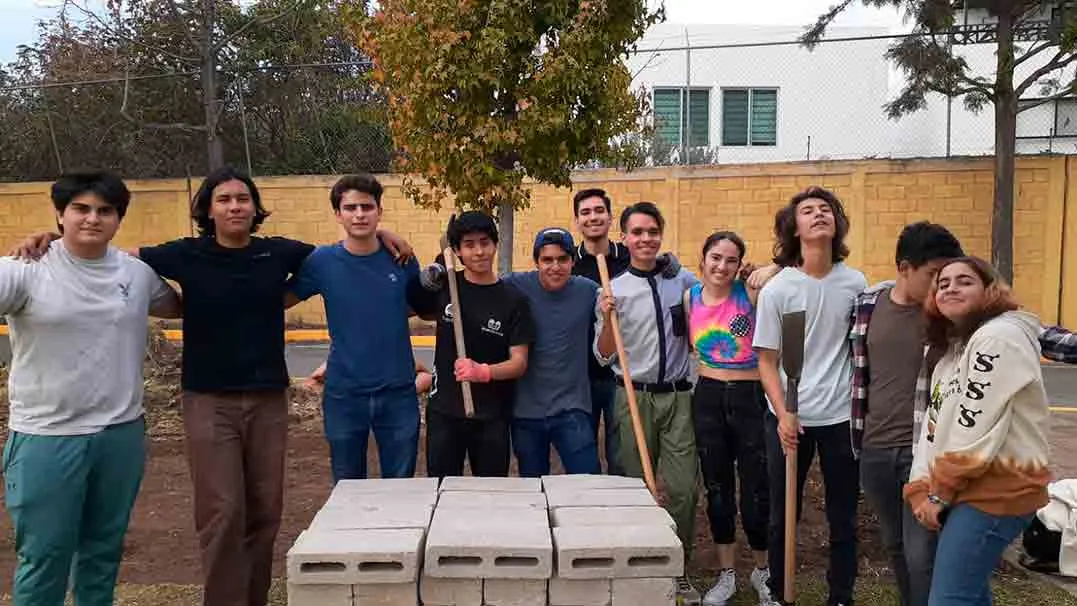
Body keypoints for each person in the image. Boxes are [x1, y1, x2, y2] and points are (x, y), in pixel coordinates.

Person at [7, 166, 410, 606]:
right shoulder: (182, 255)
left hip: (268, 398)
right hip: (208, 399)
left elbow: (344, 250)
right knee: (222, 512)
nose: (235, 206)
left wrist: (386, 233)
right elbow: (105, 249)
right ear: (208, 208)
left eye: (243, 198)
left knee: (264, 511)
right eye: (224, 199)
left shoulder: (280, 253)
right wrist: (49, 237)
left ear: (255, 207)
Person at [0, 171, 180, 605]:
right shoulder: (24, 269)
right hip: (47, 436)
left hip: (120, 435)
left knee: (103, 551)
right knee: (45, 555)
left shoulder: (136, 275)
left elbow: (181, 305)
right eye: (80, 208)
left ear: (118, 219)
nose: (92, 218)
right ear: (60, 214)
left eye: (105, 211)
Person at [907, 256, 1051, 606]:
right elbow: (934, 430)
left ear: (989, 290)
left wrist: (938, 493)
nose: (951, 287)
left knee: (950, 599)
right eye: (943, 283)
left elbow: (974, 427)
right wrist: (919, 488)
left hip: (998, 491)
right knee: (970, 594)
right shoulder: (950, 356)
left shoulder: (999, 336)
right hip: (966, 489)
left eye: (964, 281)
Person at [753, 186, 867, 606]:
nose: (819, 215)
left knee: (843, 517)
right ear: (794, 227)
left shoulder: (854, 283)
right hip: (788, 415)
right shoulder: (779, 290)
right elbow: (767, 361)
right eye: (808, 210)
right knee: (784, 513)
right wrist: (783, 413)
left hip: (840, 417)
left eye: (826, 210)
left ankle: (841, 596)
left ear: (835, 224)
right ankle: (781, 594)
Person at [849, 221, 964, 606]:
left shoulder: (950, 314)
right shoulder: (867, 303)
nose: (942, 285)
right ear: (904, 268)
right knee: (895, 546)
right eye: (934, 275)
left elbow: (1016, 325)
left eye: (948, 275)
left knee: (922, 556)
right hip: (873, 449)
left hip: (924, 453)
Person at [594, 201, 701, 605]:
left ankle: (679, 569)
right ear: (624, 238)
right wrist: (607, 318)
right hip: (631, 398)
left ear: (661, 234)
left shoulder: (683, 282)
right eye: (637, 233)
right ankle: (638, 571)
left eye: (652, 231)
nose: (645, 239)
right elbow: (603, 355)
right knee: (634, 488)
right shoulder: (613, 288)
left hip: (677, 398)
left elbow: (711, 303)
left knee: (682, 489)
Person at [288, 174, 423, 482]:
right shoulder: (321, 262)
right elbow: (282, 299)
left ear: (379, 211)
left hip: (398, 392)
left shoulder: (400, 259)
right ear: (338, 214)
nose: (359, 214)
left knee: (401, 488)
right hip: (344, 395)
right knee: (347, 489)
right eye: (350, 208)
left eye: (367, 206)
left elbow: (420, 306)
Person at [686, 231, 775, 606]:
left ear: (741, 264)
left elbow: (791, 269)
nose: (722, 266)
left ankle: (762, 572)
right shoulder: (689, 296)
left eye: (731, 260)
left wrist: (770, 267)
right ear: (703, 260)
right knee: (718, 489)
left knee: (756, 490)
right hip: (706, 396)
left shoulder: (751, 293)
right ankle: (726, 575)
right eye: (715, 258)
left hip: (750, 396)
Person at [409, 211, 535, 478]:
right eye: (469, 244)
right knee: (442, 491)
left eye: (484, 242)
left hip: (492, 415)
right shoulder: (445, 288)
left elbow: (519, 363)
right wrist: (425, 278)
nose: (479, 251)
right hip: (444, 412)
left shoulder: (513, 300)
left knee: (491, 495)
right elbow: (403, 309)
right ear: (457, 250)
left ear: (494, 244)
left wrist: (483, 372)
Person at [504, 228, 602, 477]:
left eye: (562, 259)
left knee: (588, 484)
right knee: (533, 490)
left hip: (572, 409)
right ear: (536, 261)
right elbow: (479, 287)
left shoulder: (589, 291)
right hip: (526, 411)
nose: (555, 267)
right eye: (547, 260)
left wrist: (668, 264)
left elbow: (628, 287)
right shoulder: (515, 286)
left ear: (573, 261)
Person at [571, 188, 632, 474]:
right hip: (580, 375)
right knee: (582, 455)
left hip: (622, 375)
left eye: (599, 211)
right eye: (585, 212)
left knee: (621, 455)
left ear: (610, 217)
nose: (592, 217)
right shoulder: (567, 262)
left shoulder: (630, 258)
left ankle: (620, 512)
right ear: (577, 221)